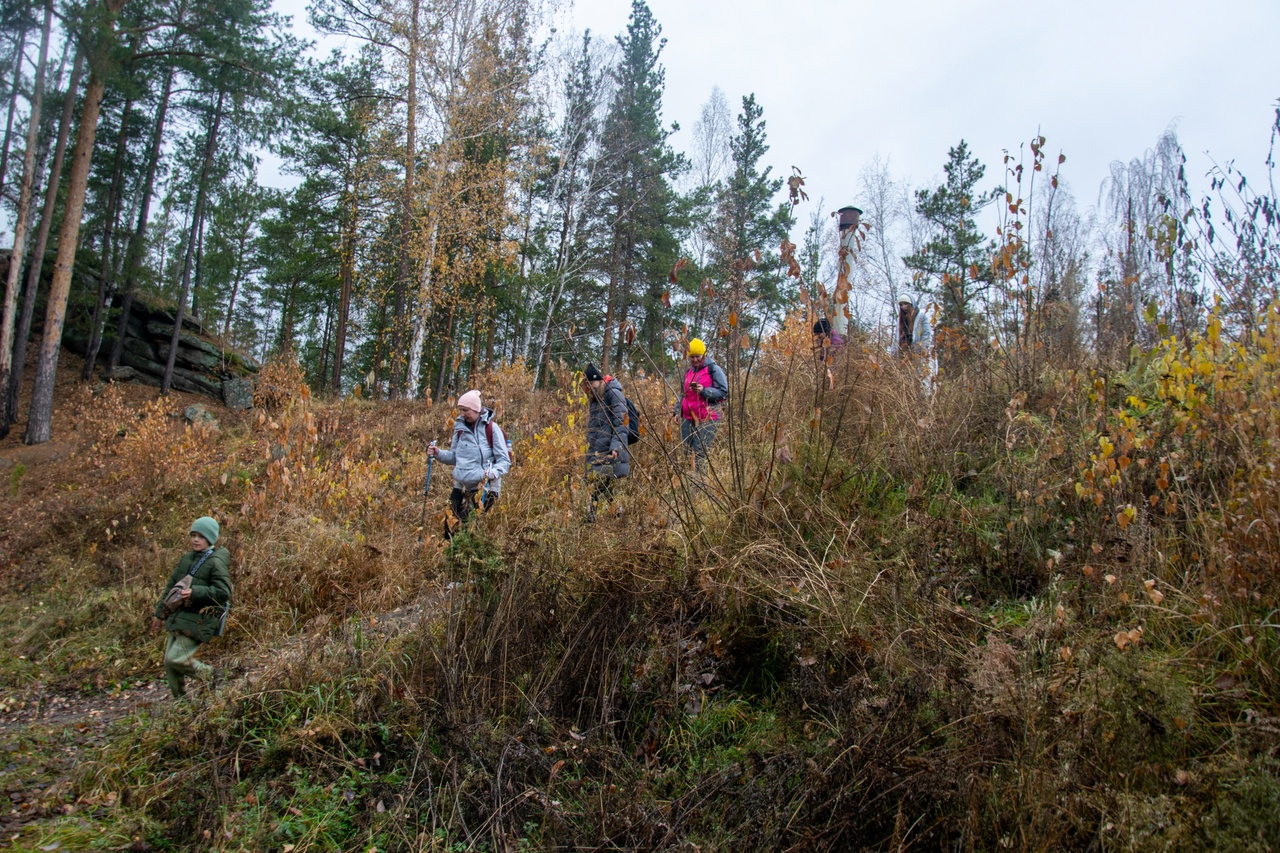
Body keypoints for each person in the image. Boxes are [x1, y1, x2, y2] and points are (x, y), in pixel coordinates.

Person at [151, 516, 232, 700]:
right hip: (179, 616)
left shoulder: (215, 562)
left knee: (175, 660)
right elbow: (171, 587)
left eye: (201, 536)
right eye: (193, 535)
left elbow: (223, 592)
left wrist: (194, 592)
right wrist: (159, 615)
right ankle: (182, 704)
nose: (196, 539)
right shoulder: (187, 559)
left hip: (199, 619)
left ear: (210, 539)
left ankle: (210, 675)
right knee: (169, 664)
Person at [428, 389, 512, 538]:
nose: (462, 414)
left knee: (467, 528)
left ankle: (471, 560)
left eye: (465, 410)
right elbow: (455, 457)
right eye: (460, 410)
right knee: (449, 529)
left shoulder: (491, 429)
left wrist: (492, 473)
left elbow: (504, 461)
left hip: (484, 488)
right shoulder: (459, 428)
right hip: (460, 485)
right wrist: (438, 453)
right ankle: (451, 559)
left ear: (476, 409)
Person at [582, 363, 630, 521]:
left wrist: (616, 447)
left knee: (600, 484)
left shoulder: (613, 393)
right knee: (599, 485)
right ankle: (608, 516)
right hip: (597, 449)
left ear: (598, 381)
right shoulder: (596, 398)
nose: (588, 388)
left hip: (610, 450)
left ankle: (601, 517)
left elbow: (621, 424)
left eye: (591, 384)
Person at [672, 338, 728, 470]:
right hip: (688, 417)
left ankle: (700, 485)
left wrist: (704, 391)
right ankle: (687, 481)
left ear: (703, 354)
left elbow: (724, 392)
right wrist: (677, 411)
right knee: (686, 450)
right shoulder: (689, 372)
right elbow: (682, 394)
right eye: (692, 357)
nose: (695, 360)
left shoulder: (713, 369)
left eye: (697, 356)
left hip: (708, 416)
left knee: (700, 450)